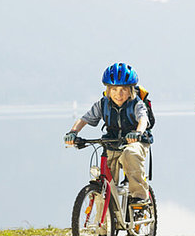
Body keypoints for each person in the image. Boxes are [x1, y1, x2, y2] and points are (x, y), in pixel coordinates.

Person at [64, 62, 152, 205]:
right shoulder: (103, 104)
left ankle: (140, 196)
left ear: (131, 90)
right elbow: (84, 119)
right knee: (105, 184)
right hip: (112, 143)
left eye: (123, 89)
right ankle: (103, 225)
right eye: (114, 89)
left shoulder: (137, 103)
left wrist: (137, 133)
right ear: (108, 90)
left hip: (135, 142)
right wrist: (73, 133)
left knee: (131, 155)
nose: (119, 94)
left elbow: (143, 119)